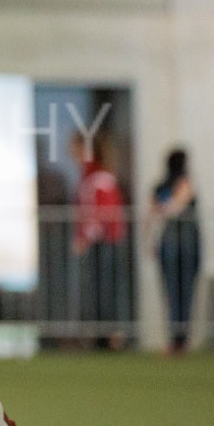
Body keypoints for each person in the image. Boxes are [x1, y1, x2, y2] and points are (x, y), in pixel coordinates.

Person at [69, 130, 131, 349]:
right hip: (103, 240)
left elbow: (101, 212)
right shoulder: (90, 176)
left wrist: (86, 237)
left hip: (105, 241)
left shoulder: (99, 178)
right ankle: (102, 334)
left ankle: (110, 335)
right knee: (99, 287)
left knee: (106, 288)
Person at [150, 148, 202, 353]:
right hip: (179, 243)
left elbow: (160, 210)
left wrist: (163, 208)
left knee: (181, 291)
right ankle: (177, 338)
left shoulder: (165, 187)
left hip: (178, 242)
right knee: (175, 291)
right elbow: (172, 207)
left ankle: (180, 338)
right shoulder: (178, 183)